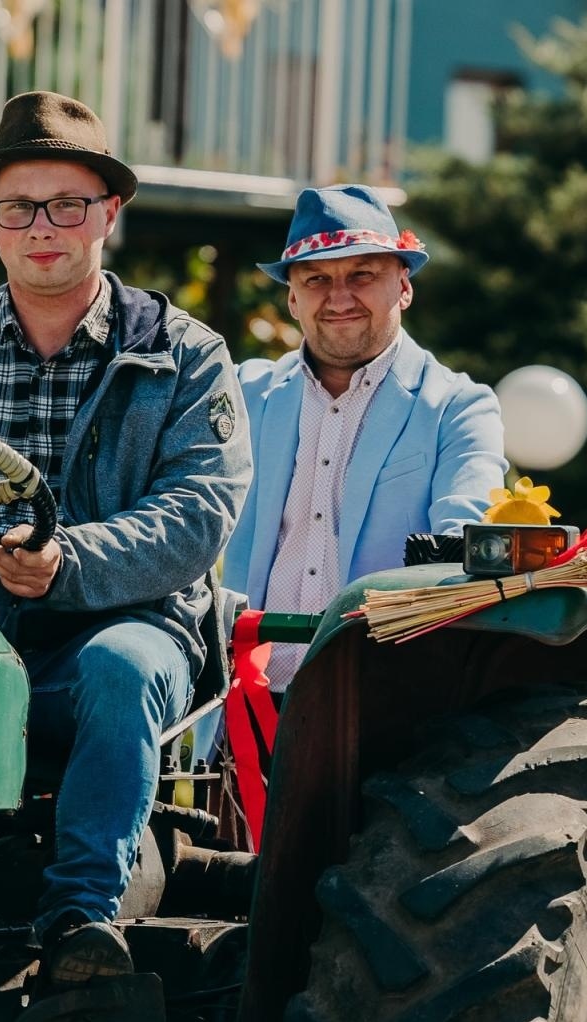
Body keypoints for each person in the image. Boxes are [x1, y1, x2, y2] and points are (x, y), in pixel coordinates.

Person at [0, 91, 250, 983]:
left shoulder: (183, 353)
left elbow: (197, 513)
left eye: (67, 204)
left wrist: (68, 565)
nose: (43, 226)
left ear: (109, 212)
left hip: (124, 622)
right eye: (19, 207)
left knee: (122, 667)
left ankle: (79, 920)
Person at [221, 184, 507, 688]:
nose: (339, 297)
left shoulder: (459, 408)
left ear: (404, 286)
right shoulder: (244, 394)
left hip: (388, 704)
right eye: (316, 279)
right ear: (291, 297)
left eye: (362, 274)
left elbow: (463, 541)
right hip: (247, 707)